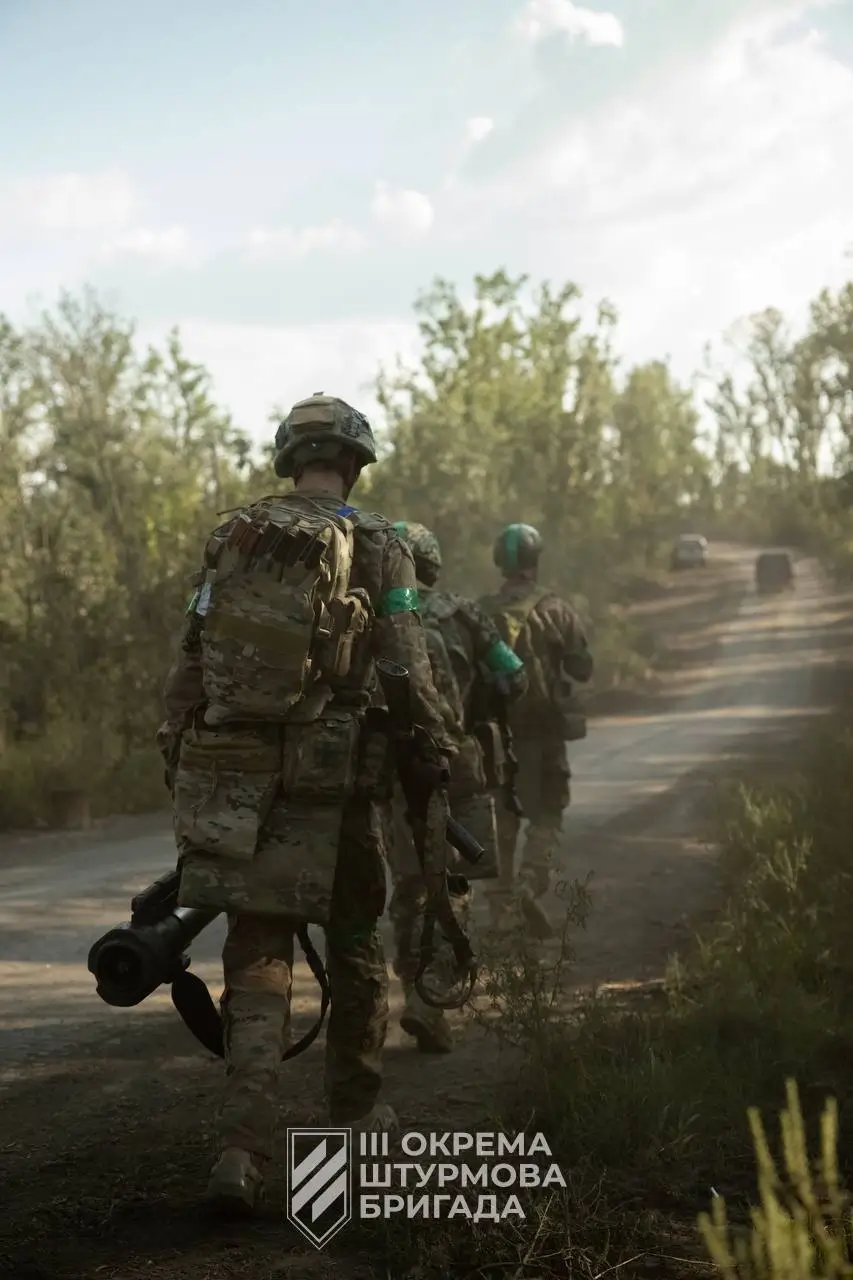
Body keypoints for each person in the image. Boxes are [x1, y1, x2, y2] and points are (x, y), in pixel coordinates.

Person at [156, 394, 456, 1214]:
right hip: (336, 776)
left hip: (235, 772)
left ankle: (243, 1147)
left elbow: (190, 658)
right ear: (355, 463)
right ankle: (355, 1117)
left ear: (289, 460)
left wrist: (181, 754)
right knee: (355, 938)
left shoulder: (233, 535)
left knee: (256, 954)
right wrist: (435, 743)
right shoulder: (383, 542)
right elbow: (403, 660)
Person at [385, 521, 527, 1052]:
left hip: (395, 769)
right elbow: (514, 677)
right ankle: (433, 997)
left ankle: (414, 992)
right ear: (433, 564)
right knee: (454, 881)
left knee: (408, 884)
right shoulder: (464, 612)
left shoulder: (372, 617)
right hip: (455, 761)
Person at [478, 523, 593, 939]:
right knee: (547, 813)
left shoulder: (480, 612)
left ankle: (500, 911)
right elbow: (582, 667)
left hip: (493, 736)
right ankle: (530, 884)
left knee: (500, 822)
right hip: (543, 734)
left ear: (500, 563)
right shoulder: (556, 610)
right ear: (534, 561)